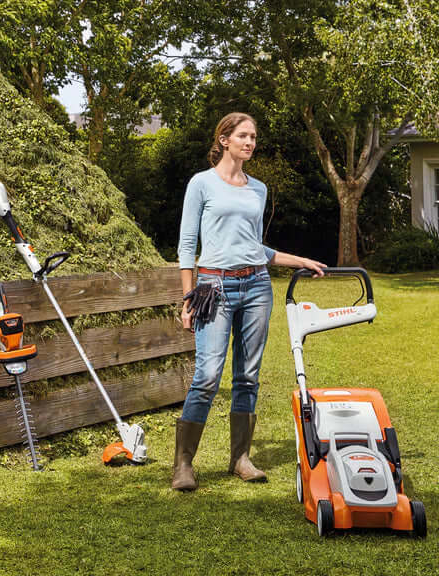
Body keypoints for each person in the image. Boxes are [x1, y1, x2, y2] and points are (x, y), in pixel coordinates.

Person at [173, 112, 325, 491]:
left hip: (256, 286)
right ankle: (184, 465)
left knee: (248, 377)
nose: (250, 142)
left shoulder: (258, 189)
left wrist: (298, 259)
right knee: (207, 376)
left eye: (254, 137)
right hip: (214, 288)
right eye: (243, 135)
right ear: (223, 139)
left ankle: (240, 458)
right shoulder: (201, 184)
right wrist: (186, 298)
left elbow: (254, 247)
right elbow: (187, 246)